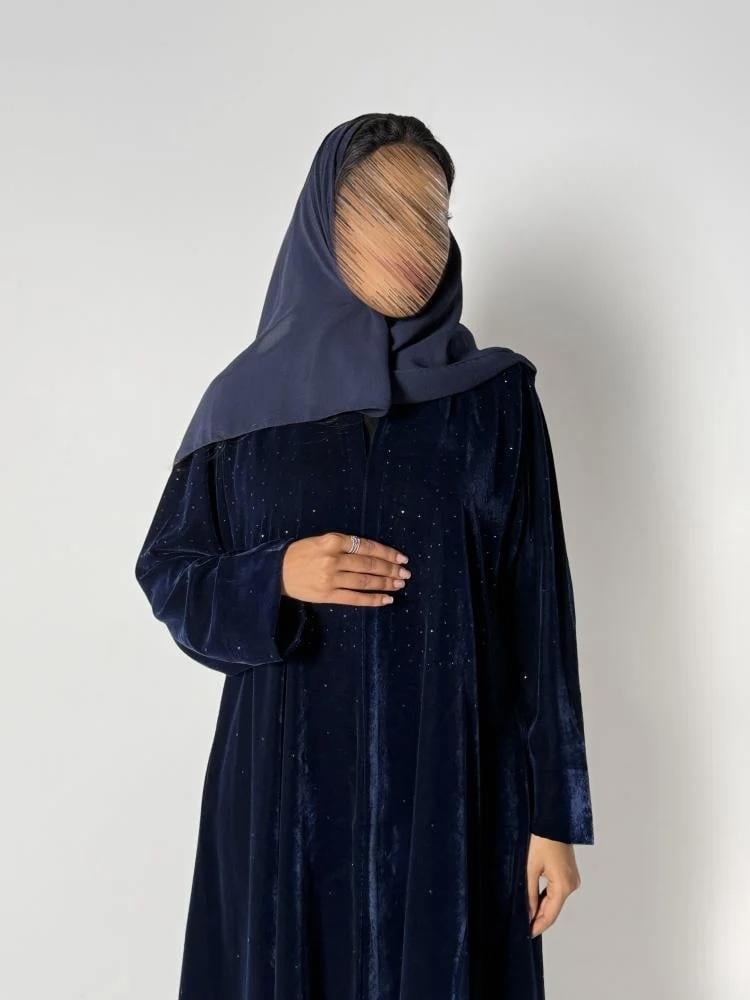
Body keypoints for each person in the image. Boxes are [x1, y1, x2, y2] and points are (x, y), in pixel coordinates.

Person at [135, 112, 594, 1000]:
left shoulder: (494, 400)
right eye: (387, 209)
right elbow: (170, 572)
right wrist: (274, 577)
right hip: (283, 794)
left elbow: (539, 615)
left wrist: (553, 818)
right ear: (323, 223)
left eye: (436, 215)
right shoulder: (245, 408)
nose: (419, 239)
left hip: (454, 783)